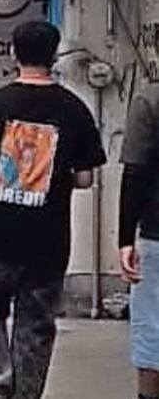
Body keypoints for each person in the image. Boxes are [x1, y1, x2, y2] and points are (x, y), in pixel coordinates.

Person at [0, 21, 105, 399]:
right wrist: (52, 181)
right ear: (54, 55)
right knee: (36, 323)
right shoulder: (75, 109)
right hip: (49, 240)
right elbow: (86, 179)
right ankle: (26, 393)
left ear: (13, 53)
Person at [119, 82, 159, 399]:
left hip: (157, 233)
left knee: (152, 328)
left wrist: (124, 239)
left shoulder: (149, 99)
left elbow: (135, 173)